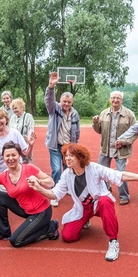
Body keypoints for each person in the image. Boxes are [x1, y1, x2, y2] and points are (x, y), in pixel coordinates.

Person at [30, 143, 138, 261]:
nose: (67, 159)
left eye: (71, 156)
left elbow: (118, 175)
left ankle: (113, 241)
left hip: (98, 204)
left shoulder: (93, 168)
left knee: (105, 201)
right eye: (66, 156)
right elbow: (55, 194)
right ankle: (85, 220)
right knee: (68, 237)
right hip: (82, 208)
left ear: (80, 157)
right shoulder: (67, 174)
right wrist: (39, 188)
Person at [92, 91, 137, 205]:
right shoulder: (104, 113)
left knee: (121, 173)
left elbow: (134, 132)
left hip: (121, 150)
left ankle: (124, 196)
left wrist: (124, 142)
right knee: (101, 171)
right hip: (105, 149)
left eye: (118, 98)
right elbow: (99, 130)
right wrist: (95, 123)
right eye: (113, 98)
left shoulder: (129, 114)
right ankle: (105, 189)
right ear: (110, 99)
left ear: (121, 100)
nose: (115, 100)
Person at [45, 72, 80, 205]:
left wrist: (75, 145)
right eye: (64, 101)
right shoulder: (55, 109)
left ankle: (68, 188)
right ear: (60, 101)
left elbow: (77, 131)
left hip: (68, 147)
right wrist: (51, 87)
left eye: (69, 102)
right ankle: (54, 193)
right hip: (55, 145)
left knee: (69, 169)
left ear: (72, 102)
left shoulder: (75, 114)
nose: (66, 104)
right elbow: (48, 100)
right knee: (57, 170)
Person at [9, 97, 35, 162]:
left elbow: (30, 130)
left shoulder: (28, 116)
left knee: (27, 164)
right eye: (13, 109)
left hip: (25, 145)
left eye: (16, 108)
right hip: (14, 146)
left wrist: (29, 144)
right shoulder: (12, 118)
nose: (14, 110)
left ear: (22, 107)